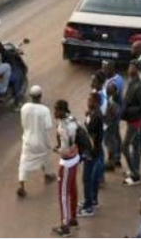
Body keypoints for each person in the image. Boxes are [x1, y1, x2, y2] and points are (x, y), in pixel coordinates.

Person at [18, 85, 56, 198]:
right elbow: (48, 126)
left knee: (24, 162)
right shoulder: (44, 110)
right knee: (46, 156)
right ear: (40, 96)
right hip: (41, 140)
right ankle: (48, 175)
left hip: (28, 140)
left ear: (30, 96)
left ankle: (22, 186)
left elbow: (23, 124)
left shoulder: (24, 108)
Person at [52, 99, 82, 236]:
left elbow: (64, 151)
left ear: (61, 111)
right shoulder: (73, 119)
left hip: (67, 163)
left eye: (56, 110)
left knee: (63, 194)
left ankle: (65, 226)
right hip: (75, 159)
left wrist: (56, 150)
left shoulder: (63, 127)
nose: (54, 112)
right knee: (73, 189)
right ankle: (73, 218)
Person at [122, 61, 141, 186]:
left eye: (132, 67)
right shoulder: (131, 81)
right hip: (131, 119)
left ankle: (135, 175)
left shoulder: (138, 86)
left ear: (137, 70)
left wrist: (129, 110)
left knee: (124, 147)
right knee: (135, 145)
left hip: (135, 121)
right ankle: (134, 169)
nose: (129, 69)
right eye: (129, 66)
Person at [79, 92, 105, 218]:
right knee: (93, 177)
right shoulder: (94, 114)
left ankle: (88, 206)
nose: (88, 102)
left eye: (90, 100)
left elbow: (90, 131)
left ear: (95, 102)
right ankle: (93, 199)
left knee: (87, 178)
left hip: (91, 151)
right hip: (95, 150)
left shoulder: (95, 116)